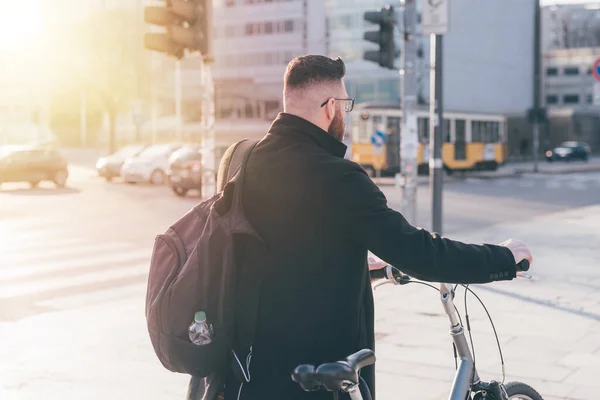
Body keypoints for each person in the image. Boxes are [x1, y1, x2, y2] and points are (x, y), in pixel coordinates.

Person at [223, 55, 533, 400]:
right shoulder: (339, 177)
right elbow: (419, 252)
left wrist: (358, 265)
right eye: (346, 104)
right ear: (330, 107)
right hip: (319, 378)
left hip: (245, 372)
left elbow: (280, 247)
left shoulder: (241, 158)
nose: (345, 114)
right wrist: (503, 258)